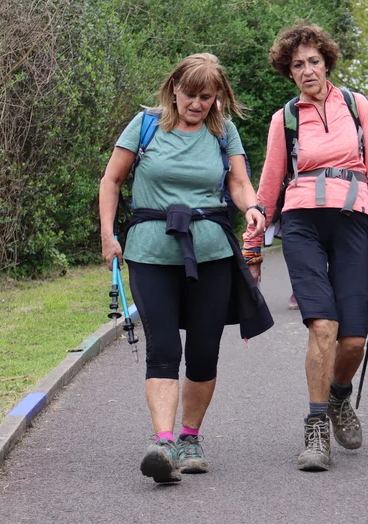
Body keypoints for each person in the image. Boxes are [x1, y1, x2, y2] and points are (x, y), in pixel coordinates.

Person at [98, 53, 269, 484]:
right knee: (163, 349)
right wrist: (107, 235)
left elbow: (238, 181)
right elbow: (111, 180)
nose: (196, 104)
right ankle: (164, 444)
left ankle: (190, 438)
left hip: (211, 253)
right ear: (174, 88)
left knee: (203, 352)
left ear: (217, 98)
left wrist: (252, 208)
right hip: (149, 252)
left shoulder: (222, 131)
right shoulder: (146, 125)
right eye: (190, 94)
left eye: (206, 97)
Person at [243, 23, 368, 472]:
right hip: (302, 224)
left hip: (354, 222)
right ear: (289, 72)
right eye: (298, 65)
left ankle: (338, 397)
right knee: (323, 326)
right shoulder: (285, 119)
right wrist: (252, 248)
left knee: (353, 340)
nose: (307, 70)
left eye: (314, 61)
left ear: (327, 62)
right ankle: (315, 430)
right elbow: (269, 185)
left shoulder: (355, 105)